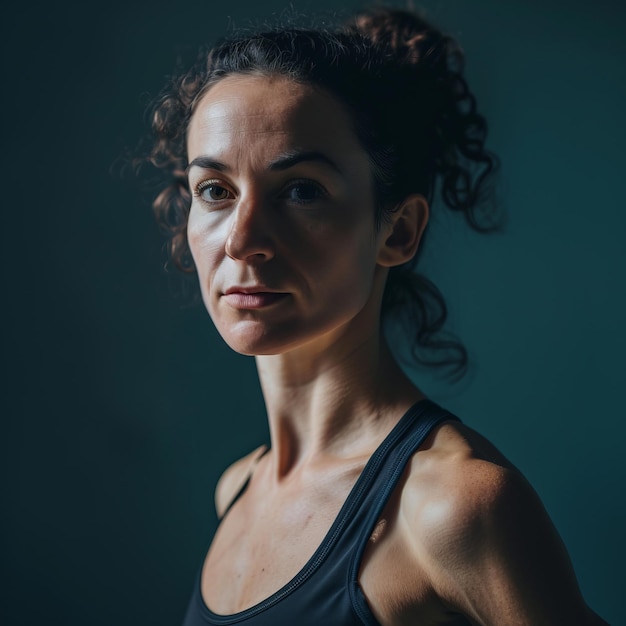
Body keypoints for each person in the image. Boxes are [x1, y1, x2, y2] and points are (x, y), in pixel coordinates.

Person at [138, 6, 609, 625]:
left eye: (301, 189)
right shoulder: (237, 491)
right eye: (216, 191)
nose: (243, 239)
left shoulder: (452, 508)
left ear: (398, 230)